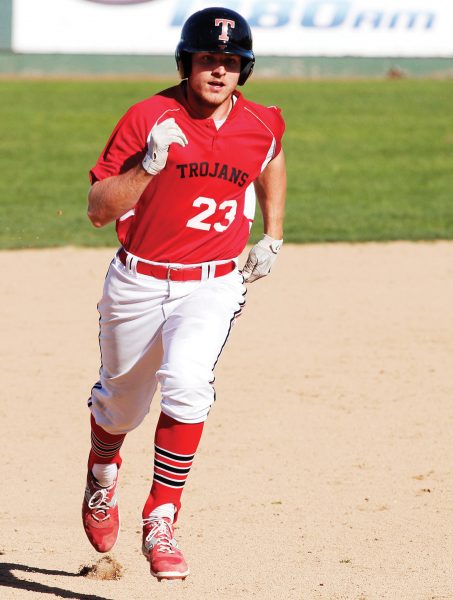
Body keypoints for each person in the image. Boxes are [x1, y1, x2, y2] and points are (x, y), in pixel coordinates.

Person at [80, 6, 286, 581]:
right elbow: (98, 212)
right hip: (138, 281)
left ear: (243, 69)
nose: (218, 71)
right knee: (121, 402)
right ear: (186, 63)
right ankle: (102, 471)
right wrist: (148, 166)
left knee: (190, 384)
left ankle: (161, 516)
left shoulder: (263, 122)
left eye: (229, 62)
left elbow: (271, 159)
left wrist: (273, 232)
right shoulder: (148, 116)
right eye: (207, 60)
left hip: (213, 285)